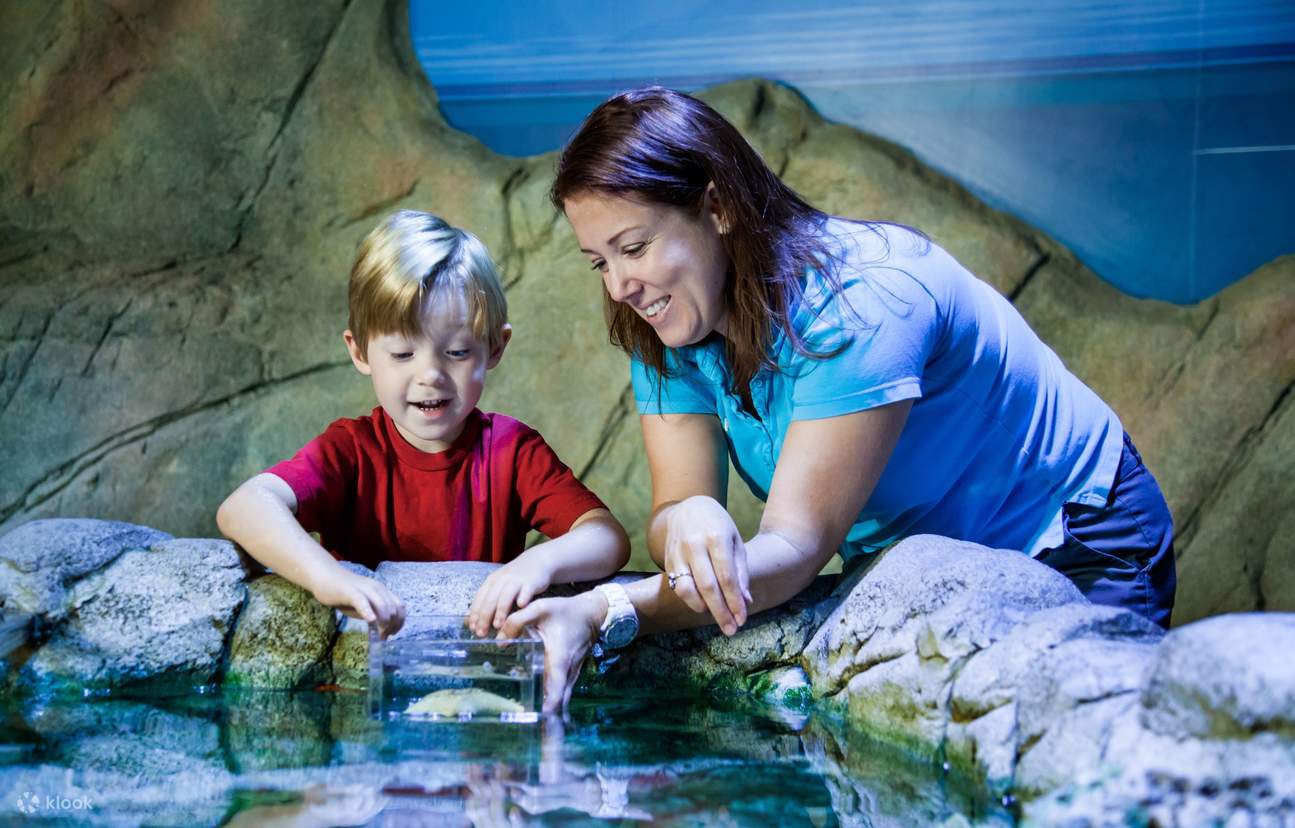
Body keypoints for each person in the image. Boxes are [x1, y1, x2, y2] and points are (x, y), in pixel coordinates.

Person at [500, 86, 1176, 712]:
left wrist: (602, 610)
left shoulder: (862, 302)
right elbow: (673, 509)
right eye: (599, 262)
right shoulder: (666, 323)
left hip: (1064, 536)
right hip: (916, 559)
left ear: (716, 206)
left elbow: (792, 551)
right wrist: (687, 516)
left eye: (634, 247)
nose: (619, 286)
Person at [217, 211, 630, 639]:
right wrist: (328, 577)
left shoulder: (513, 451)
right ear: (359, 352)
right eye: (402, 354)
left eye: (455, 352)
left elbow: (607, 538)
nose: (429, 374)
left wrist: (538, 563)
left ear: (494, 347)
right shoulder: (350, 450)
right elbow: (244, 507)